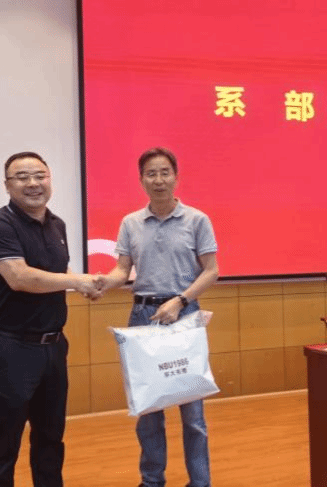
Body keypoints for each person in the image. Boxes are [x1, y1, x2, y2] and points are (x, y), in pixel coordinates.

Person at [96, 147, 219, 487]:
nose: (159, 179)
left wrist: (180, 300)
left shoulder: (197, 220)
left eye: (165, 172)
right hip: (143, 317)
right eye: (151, 173)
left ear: (176, 177)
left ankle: (200, 482)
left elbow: (211, 271)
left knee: (192, 415)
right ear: (141, 180)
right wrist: (103, 283)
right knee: (148, 411)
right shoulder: (130, 223)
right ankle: (152, 481)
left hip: (184, 316)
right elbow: (122, 271)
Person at [0, 151, 101, 486]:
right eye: (22, 177)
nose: (33, 183)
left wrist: (83, 284)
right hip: (10, 349)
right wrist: (77, 281)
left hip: (53, 347)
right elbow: (20, 277)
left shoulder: (56, 224)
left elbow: (57, 269)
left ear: (50, 180)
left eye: (40, 175)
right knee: (4, 443)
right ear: (7, 185)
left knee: (50, 438)